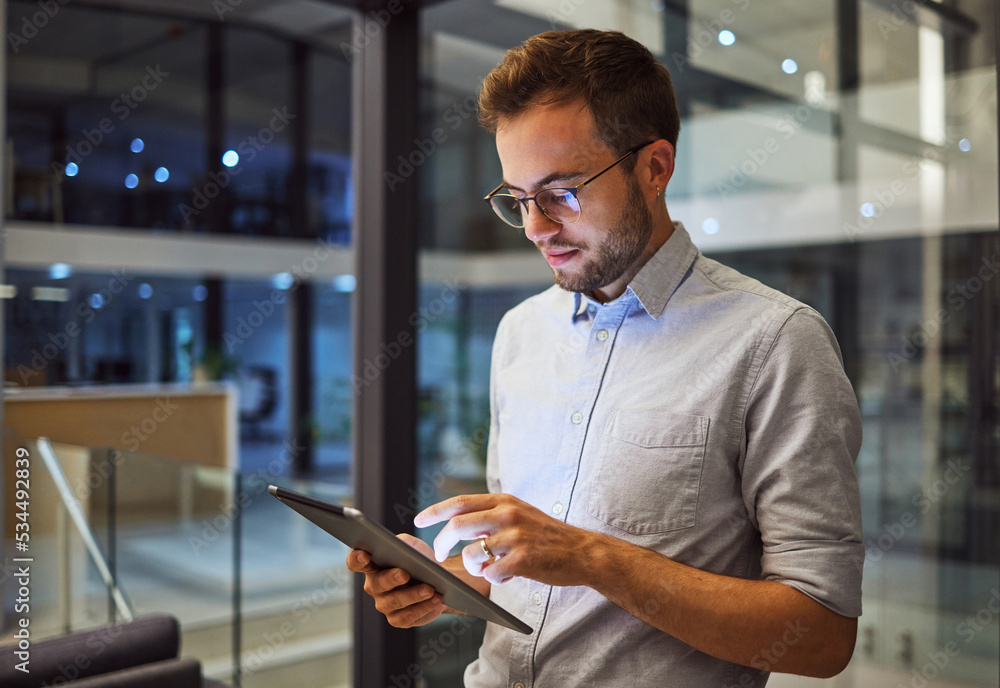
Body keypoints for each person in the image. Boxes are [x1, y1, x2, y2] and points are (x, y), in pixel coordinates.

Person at [347, 29, 863, 687]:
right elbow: (526, 564)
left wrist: (593, 557)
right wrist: (446, 582)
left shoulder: (775, 342)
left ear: (654, 167)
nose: (534, 227)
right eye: (517, 198)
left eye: (561, 192)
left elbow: (821, 636)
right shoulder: (520, 333)